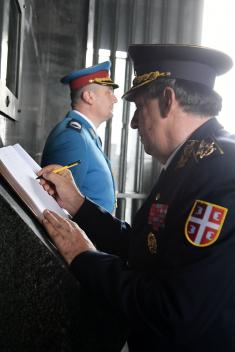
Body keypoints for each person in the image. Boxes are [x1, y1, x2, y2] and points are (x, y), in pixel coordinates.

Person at [38, 44, 235, 351]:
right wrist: (79, 205)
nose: (133, 123)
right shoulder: (192, 161)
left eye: (140, 107)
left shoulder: (222, 171)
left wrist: (83, 257)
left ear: (167, 101)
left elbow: (173, 309)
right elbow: (146, 247)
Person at [41, 61, 119, 213]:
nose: (114, 99)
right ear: (89, 97)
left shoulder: (86, 134)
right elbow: (59, 206)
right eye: (108, 92)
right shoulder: (72, 137)